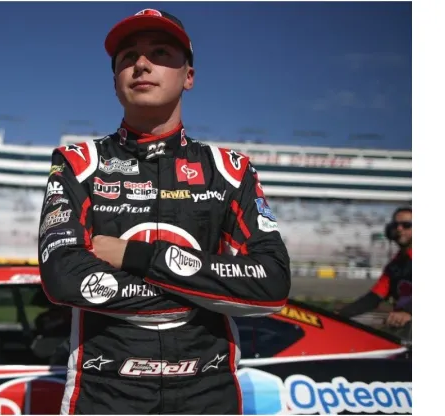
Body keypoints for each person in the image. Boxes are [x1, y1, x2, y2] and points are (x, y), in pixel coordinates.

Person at [36, 8, 291, 414]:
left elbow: (273, 283)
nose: (141, 64)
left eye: (160, 52)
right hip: (103, 392)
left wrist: (137, 257)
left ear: (189, 76)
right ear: (115, 81)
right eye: (127, 58)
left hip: (209, 391)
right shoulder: (77, 162)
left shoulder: (230, 170)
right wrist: (208, 290)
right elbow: (64, 279)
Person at [338, 207, 412, 340]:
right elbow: (373, 298)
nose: (399, 229)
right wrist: (337, 316)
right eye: (396, 225)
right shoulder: (395, 265)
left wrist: (409, 312)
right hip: (400, 322)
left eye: (407, 225)